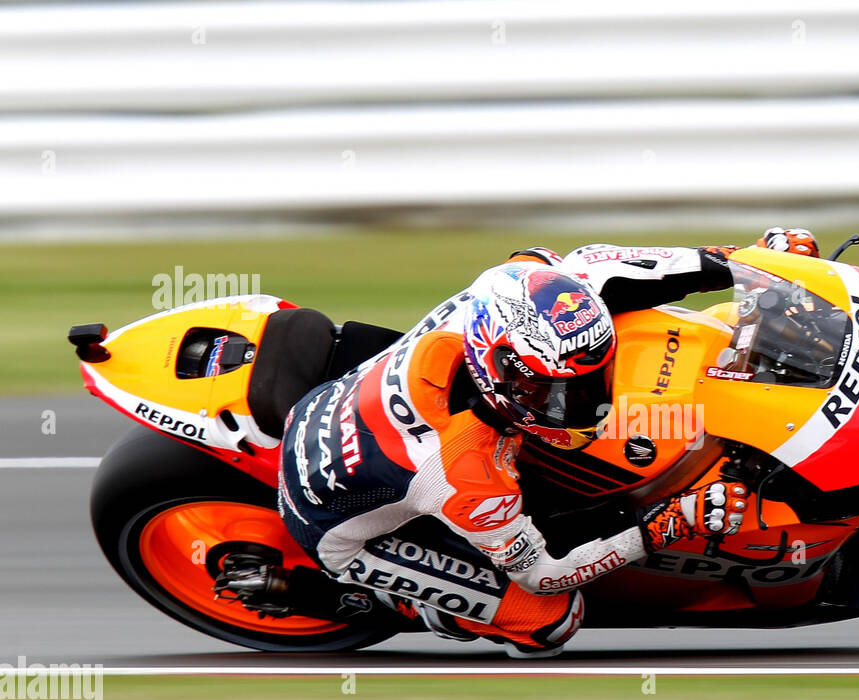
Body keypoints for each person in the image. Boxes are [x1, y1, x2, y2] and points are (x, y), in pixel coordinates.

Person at [271, 228, 819, 657]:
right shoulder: (465, 471)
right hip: (333, 523)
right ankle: (375, 598)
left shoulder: (525, 283)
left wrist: (756, 264)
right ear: (499, 372)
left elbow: (622, 265)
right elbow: (544, 573)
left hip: (361, 407)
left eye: (587, 383)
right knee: (551, 621)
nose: (585, 402)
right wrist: (666, 524)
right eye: (560, 392)